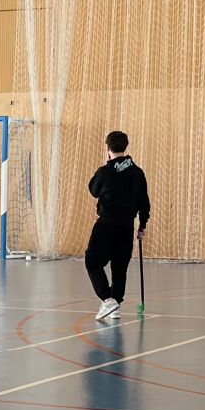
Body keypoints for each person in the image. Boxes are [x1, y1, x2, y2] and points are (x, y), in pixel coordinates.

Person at [84, 130, 150, 322]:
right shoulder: (137, 172)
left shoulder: (105, 172)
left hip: (106, 225)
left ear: (107, 148)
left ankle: (107, 299)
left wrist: (108, 166)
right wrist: (142, 225)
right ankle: (115, 306)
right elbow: (144, 202)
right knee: (120, 267)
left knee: (92, 261)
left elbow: (93, 190)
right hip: (126, 226)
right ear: (125, 147)